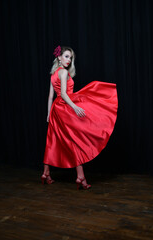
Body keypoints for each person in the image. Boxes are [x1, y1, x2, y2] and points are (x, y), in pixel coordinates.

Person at [41, 45, 118, 190]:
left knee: (53, 140)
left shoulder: (53, 74)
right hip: (65, 107)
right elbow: (63, 94)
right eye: (66, 56)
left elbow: (51, 97)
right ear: (59, 57)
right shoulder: (63, 72)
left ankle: (46, 173)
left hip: (56, 109)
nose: (69, 60)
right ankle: (80, 176)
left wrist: (48, 114)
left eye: (70, 57)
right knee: (74, 140)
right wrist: (75, 107)